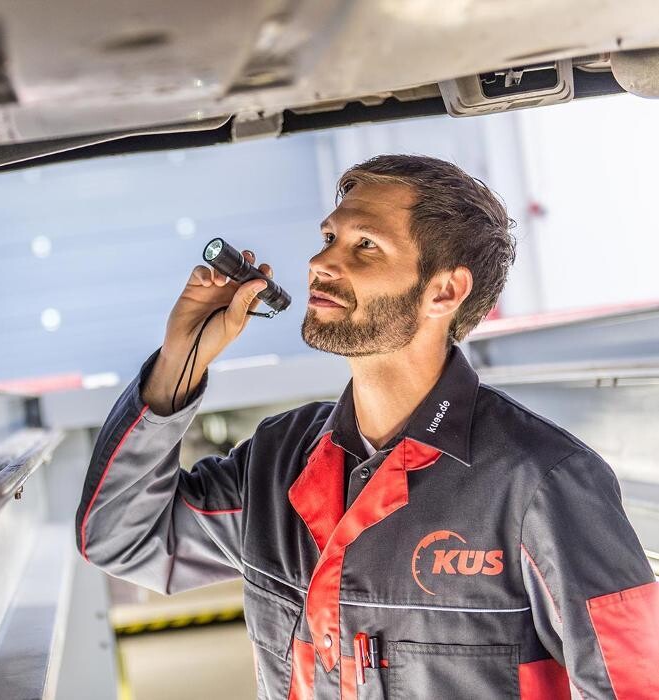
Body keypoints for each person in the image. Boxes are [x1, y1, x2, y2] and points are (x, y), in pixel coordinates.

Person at [74, 155, 658, 699]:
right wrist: (180, 362)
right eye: (329, 238)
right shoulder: (276, 462)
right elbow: (123, 540)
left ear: (445, 291)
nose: (321, 263)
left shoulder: (544, 484)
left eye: (365, 246)